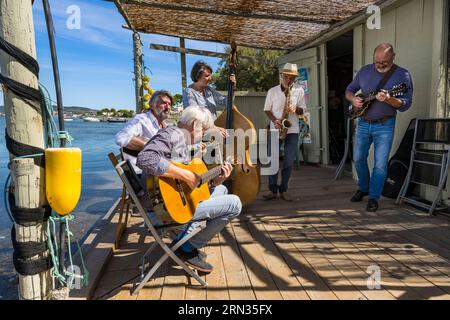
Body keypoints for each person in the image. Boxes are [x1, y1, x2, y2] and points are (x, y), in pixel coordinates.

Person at [136, 106, 242, 273]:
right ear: (195, 125)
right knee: (234, 204)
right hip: (161, 210)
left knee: (221, 189)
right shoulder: (171, 134)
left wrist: (216, 180)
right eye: (203, 131)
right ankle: (186, 247)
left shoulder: (181, 140)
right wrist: (185, 175)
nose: (202, 137)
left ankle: (186, 238)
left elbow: (193, 185)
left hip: (170, 203)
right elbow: (145, 158)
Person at [345, 43, 413, 212]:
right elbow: (349, 90)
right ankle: (363, 188)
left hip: (385, 125)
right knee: (358, 159)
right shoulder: (364, 71)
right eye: (377, 61)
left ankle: (374, 197)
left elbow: (405, 105)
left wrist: (389, 99)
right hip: (363, 123)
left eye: (385, 62)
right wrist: (353, 100)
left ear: (393, 57)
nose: (381, 65)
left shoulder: (402, 76)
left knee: (380, 165)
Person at [263, 63, 306, 202]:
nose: (289, 80)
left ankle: (284, 189)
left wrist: (296, 109)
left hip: (292, 129)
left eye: (292, 78)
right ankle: (272, 190)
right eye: (287, 77)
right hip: (276, 127)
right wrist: (275, 120)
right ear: (282, 76)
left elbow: (302, 110)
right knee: (272, 160)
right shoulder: (272, 91)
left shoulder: (299, 90)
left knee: (288, 161)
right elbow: (267, 110)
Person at [115, 90, 172, 172]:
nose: (168, 107)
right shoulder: (142, 120)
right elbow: (121, 137)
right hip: (143, 173)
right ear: (151, 105)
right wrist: (153, 147)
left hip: (159, 171)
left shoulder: (165, 126)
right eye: (163, 103)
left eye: (169, 104)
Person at [183, 60, 235, 137]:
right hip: (199, 136)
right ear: (197, 76)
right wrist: (213, 128)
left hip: (213, 133)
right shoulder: (189, 92)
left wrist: (233, 87)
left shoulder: (209, 90)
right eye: (207, 76)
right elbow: (194, 117)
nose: (210, 78)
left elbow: (226, 102)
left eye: (210, 75)